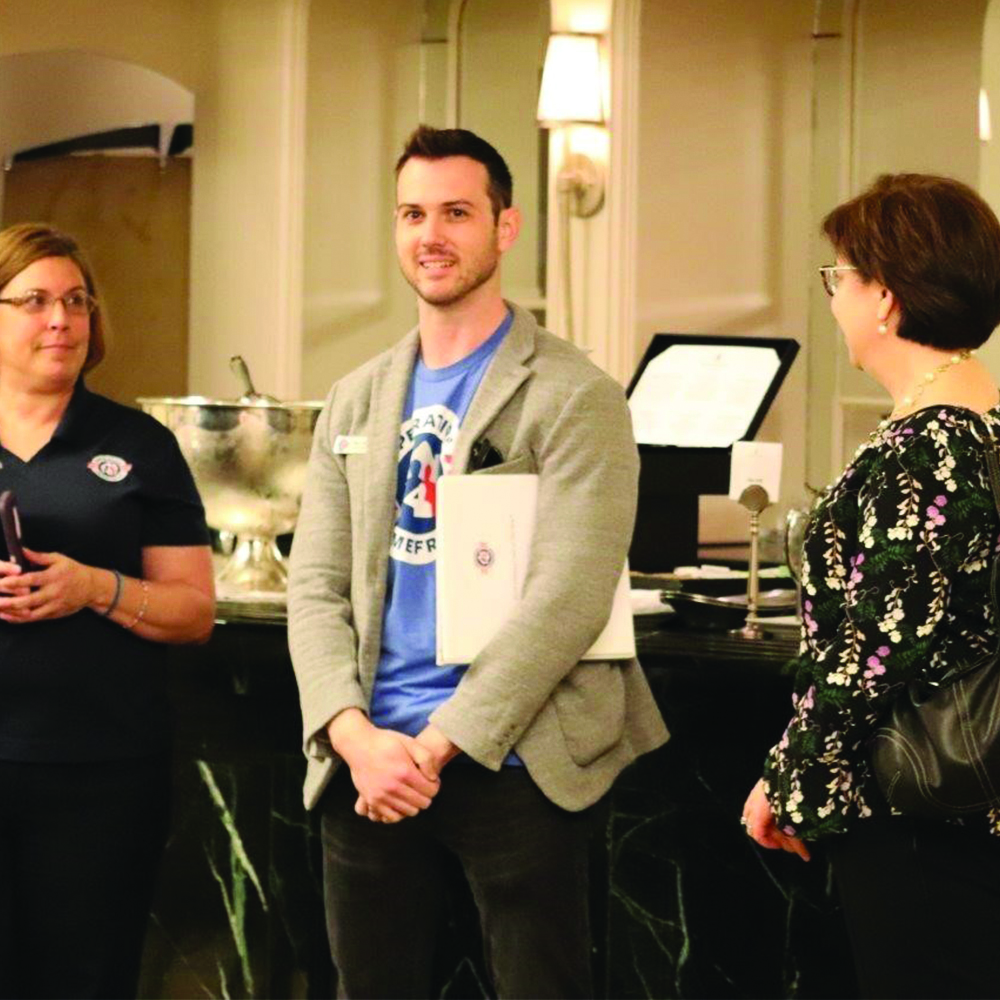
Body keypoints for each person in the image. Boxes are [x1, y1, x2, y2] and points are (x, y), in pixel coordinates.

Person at [288, 125, 668, 999]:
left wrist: (438, 745)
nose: (432, 234)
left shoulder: (576, 394)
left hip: (518, 758)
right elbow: (314, 586)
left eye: (457, 212)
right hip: (370, 760)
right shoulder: (356, 395)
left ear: (506, 227)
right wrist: (354, 735)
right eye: (413, 213)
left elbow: (568, 598)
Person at [742, 174, 1000, 999]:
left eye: (839, 277)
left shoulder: (927, 447)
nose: (834, 298)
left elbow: (873, 654)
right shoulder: (982, 422)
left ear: (884, 296)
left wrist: (786, 777)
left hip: (921, 807)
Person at [0, 222, 215, 999]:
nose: (60, 318)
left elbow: (193, 612)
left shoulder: (140, 444)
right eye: (33, 300)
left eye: (75, 300)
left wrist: (94, 587)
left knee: (86, 981)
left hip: (100, 774)